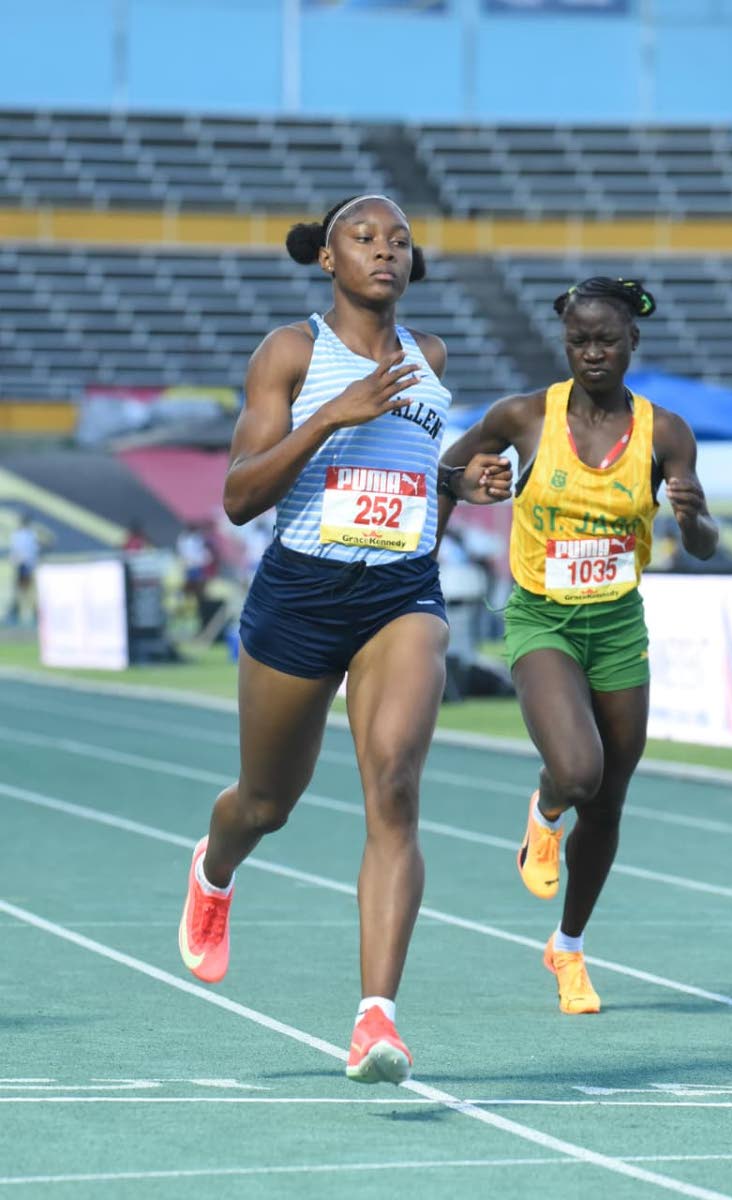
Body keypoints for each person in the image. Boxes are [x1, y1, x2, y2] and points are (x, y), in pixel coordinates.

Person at [177, 194, 510, 1084]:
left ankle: (375, 1019)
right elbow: (240, 497)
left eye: (399, 240)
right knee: (265, 802)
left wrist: (458, 482)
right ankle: (213, 870)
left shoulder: (429, 357)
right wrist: (333, 414)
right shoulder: (291, 353)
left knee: (394, 786)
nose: (385, 251)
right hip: (300, 591)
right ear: (328, 260)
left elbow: (420, 492)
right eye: (363, 239)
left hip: (402, 591)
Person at [439, 276, 718, 1015]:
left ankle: (567, 949)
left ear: (632, 342)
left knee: (609, 802)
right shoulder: (525, 416)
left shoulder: (665, 433)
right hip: (542, 620)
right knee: (577, 770)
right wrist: (471, 485)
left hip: (618, 623)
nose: (591, 353)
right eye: (577, 341)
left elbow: (704, 542)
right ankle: (542, 806)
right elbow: (445, 470)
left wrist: (692, 518)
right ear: (565, 344)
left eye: (605, 340)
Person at [7, 513, 42, 625]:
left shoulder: (29, 535)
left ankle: (32, 612)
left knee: (27, 591)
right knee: (20, 590)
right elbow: (17, 552)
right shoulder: (22, 535)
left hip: (27, 565)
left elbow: (31, 551)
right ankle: (16, 611)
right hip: (23, 566)